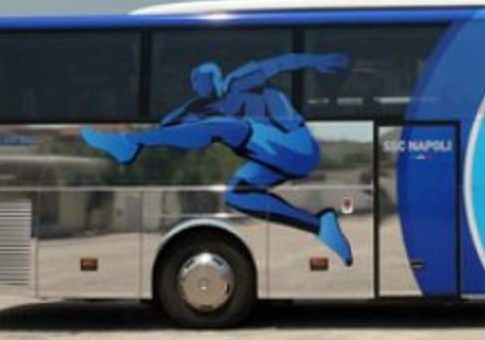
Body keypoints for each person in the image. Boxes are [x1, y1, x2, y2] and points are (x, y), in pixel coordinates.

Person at [82, 50, 354, 264]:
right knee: (237, 195)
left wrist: (316, 60)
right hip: (270, 158)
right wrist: (170, 119)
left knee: (227, 126)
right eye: (194, 83)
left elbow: (280, 63)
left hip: (296, 144)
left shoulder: (239, 81)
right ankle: (320, 226)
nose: (197, 86)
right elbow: (168, 125)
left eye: (201, 79)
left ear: (215, 76)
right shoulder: (202, 107)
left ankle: (128, 144)